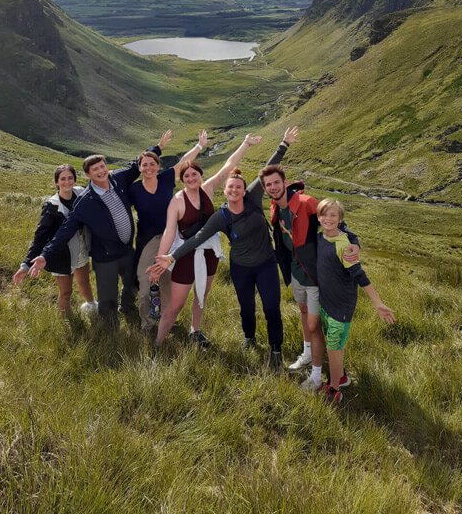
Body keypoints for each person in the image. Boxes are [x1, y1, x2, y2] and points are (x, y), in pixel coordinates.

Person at [150, 128, 298, 367]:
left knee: (261, 307)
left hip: (246, 261)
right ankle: (247, 339)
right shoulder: (210, 212)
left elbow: (252, 169)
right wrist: (167, 257)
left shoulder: (240, 196)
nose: (235, 190)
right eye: (230, 188)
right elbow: (192, 236)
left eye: (238, 187)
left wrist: (276, 144)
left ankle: (273, 350)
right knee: (237, 308)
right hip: (217, 261)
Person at [28, 134, 169, 328]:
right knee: (107, 296)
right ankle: (110, 328)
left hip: (127, 249)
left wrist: (158, 147)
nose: (101, 171)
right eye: (95, 169)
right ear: (88, 175)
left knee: (133, 283)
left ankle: (127, 308)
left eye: (102, 166)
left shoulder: (118, 178)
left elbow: (136, 165)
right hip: (106, 257)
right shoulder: (85, 202)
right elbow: (66, 229)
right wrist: (44, 255)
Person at [150, 133, 263, 348]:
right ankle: (158, 342)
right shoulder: (177, 201)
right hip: (184, 256)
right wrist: (160, 261)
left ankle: (196, 331)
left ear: (200, 176)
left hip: (209, 253)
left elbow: (229, 166)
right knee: (175, 305)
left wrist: (245, 144)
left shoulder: (208, 190)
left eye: (194, 175)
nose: (191, 179)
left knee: (201, 295)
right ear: (182, 180)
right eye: (187, 177)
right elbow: (169, 232)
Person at [259, 155, 360, 388]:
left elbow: (333, 220)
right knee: (303, 312)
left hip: (314, 275)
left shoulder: (306, 202)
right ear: (265, 190)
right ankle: (307, 354)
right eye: (268, 185)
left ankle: (316, 375)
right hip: (296, 273)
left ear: (284, 182)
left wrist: (354, 242)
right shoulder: (275, 208)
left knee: (314, 325)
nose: (273, 187)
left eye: (276, 182)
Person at [314, 198, 395, 403]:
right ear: (318, 217)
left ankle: (334, 390)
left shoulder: (345, 246)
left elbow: (360, 276)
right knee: (335, 345)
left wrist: (378, 303)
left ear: (340, 219)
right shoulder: (319, 238)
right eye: (324, 214)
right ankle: (340, 377)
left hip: (341, 307)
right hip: (326, 302)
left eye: (333, 215)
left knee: (334, 347)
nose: (328, 219)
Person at [129, 129, 208, 333]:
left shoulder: (165, 179)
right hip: (148, 240)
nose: (148, 167)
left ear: (158, 166)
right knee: (145, 284)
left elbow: (184, 161)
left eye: (152, 164)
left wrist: (199, 146)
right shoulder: (134, 189)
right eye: (144, 164)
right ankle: (147, 323)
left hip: (173, 239)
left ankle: (165, 320)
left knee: (166, 284)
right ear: (139, 168)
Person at [12, 164, 95, 317]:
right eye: (62, 179)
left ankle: (92, 306)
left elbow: (97, 183)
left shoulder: (81, 193)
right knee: (66, 292)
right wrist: (26, 264)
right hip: (60, 255)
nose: (67, 182)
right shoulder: (51, 206)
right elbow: (40, 236)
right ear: (56, 182)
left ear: (75, 180)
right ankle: (69, 321)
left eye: (70, 178)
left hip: (81, 249)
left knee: (84, 281)